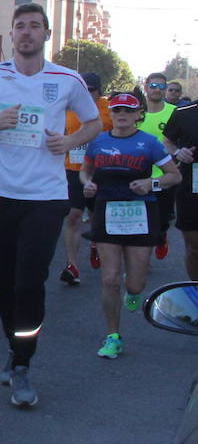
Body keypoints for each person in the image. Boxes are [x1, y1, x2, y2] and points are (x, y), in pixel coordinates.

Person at [0, 3, 101, 408]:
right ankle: (14, 347)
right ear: (12, 34)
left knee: (29, 281)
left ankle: (22, 364)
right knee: (2, 282)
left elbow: (93, 123)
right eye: (20, 26)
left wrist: (70, 143)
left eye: (35, 26)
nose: (27, 33)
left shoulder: (66, 79)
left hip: (46, 196)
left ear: (46, 34)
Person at [80, 91, 181, 360]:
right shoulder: (98, 142)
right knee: (110, 278)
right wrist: (87, 183)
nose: (121, 115)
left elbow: (175, 176)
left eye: (127, 111)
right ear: (110, 114)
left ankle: (134, 291)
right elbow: (85, 169)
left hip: (140, 212)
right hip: (106, 211)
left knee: (135, 283)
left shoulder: (149, 143)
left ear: (138, 115)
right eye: (116, 111)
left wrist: (151, 183)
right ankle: (113, 335)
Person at [59, 72, 110, 285]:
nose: (86, 93)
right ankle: (72, 265)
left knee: (97, 215)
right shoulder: (67, 108)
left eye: (91, 89)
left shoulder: (109, 109)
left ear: (99, 91)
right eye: (83, 89)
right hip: (73, 168)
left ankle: (96, 243)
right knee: (73, 215)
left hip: (103, 170)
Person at [138, 71, 178, 260]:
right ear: (146, 87)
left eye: (162, 87)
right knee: (141, 222)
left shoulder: (174, 113)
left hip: (164, 176)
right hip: (138, 175)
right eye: (153, 86)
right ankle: (139, 261)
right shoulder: (136, 113)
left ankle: (161, 236)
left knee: (162, 221)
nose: (157, 90)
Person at [162, 97, 198, 280]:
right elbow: (166, 141)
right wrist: (178, 152)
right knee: (194, 248)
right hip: (192, 186)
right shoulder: (184, 113)